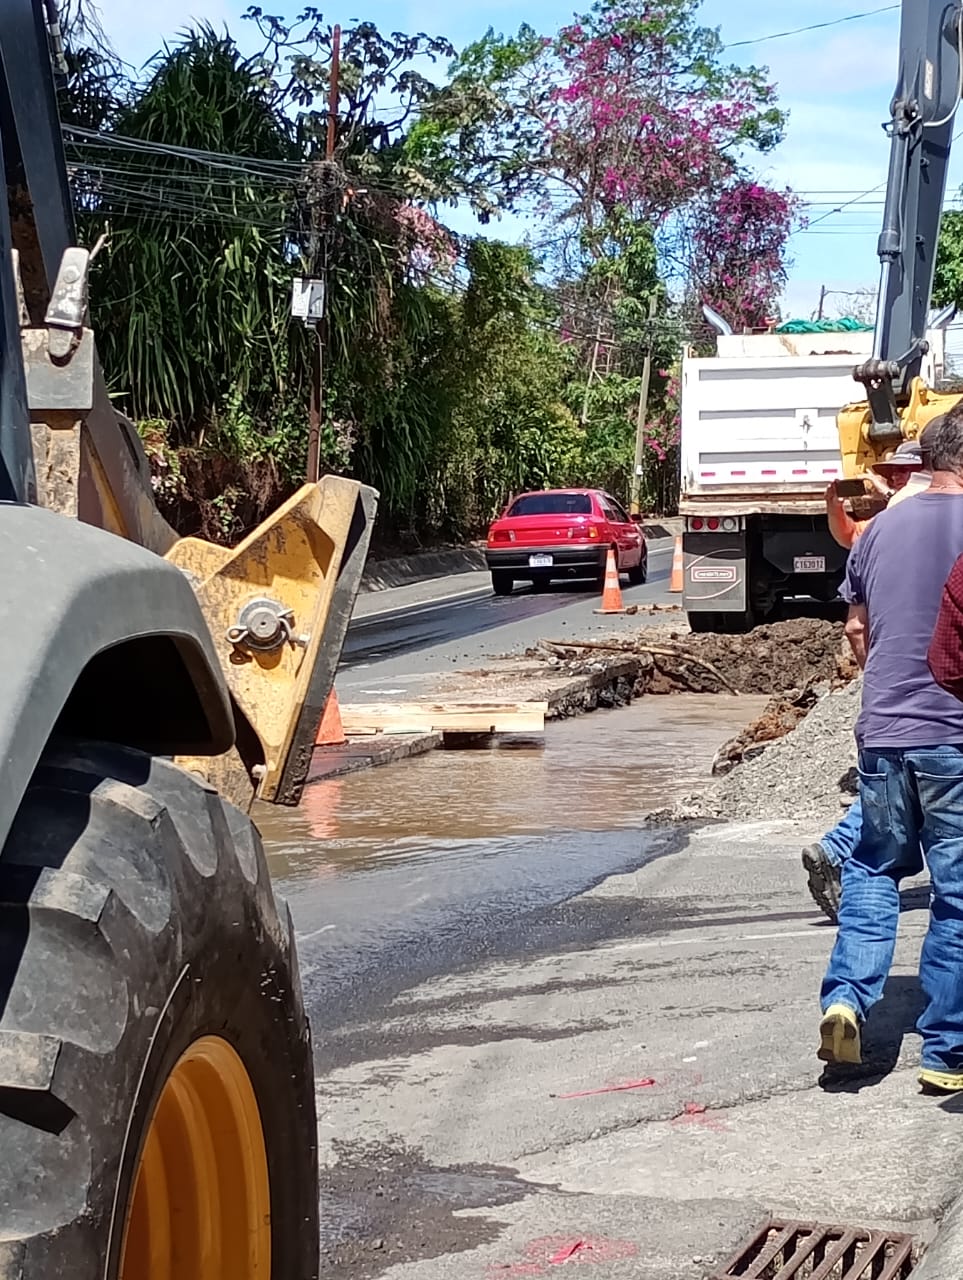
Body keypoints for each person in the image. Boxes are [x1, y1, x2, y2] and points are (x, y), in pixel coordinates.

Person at [817, 409, 963, 1093]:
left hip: (883, 732)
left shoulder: (878, 532)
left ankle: (845, 998)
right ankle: (945, 1051)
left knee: (874, 868)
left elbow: (855, 630)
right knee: (956, 893)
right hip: (953, 737)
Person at [802, 421, 941, 921]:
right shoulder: (936, 514)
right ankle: (841, 852)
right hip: (940, 683)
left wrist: (874, 675)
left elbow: (856, 627)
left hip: (895, 687)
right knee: (922, 787)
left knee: (897, 789)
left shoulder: (882, 525)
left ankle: (838, 851)